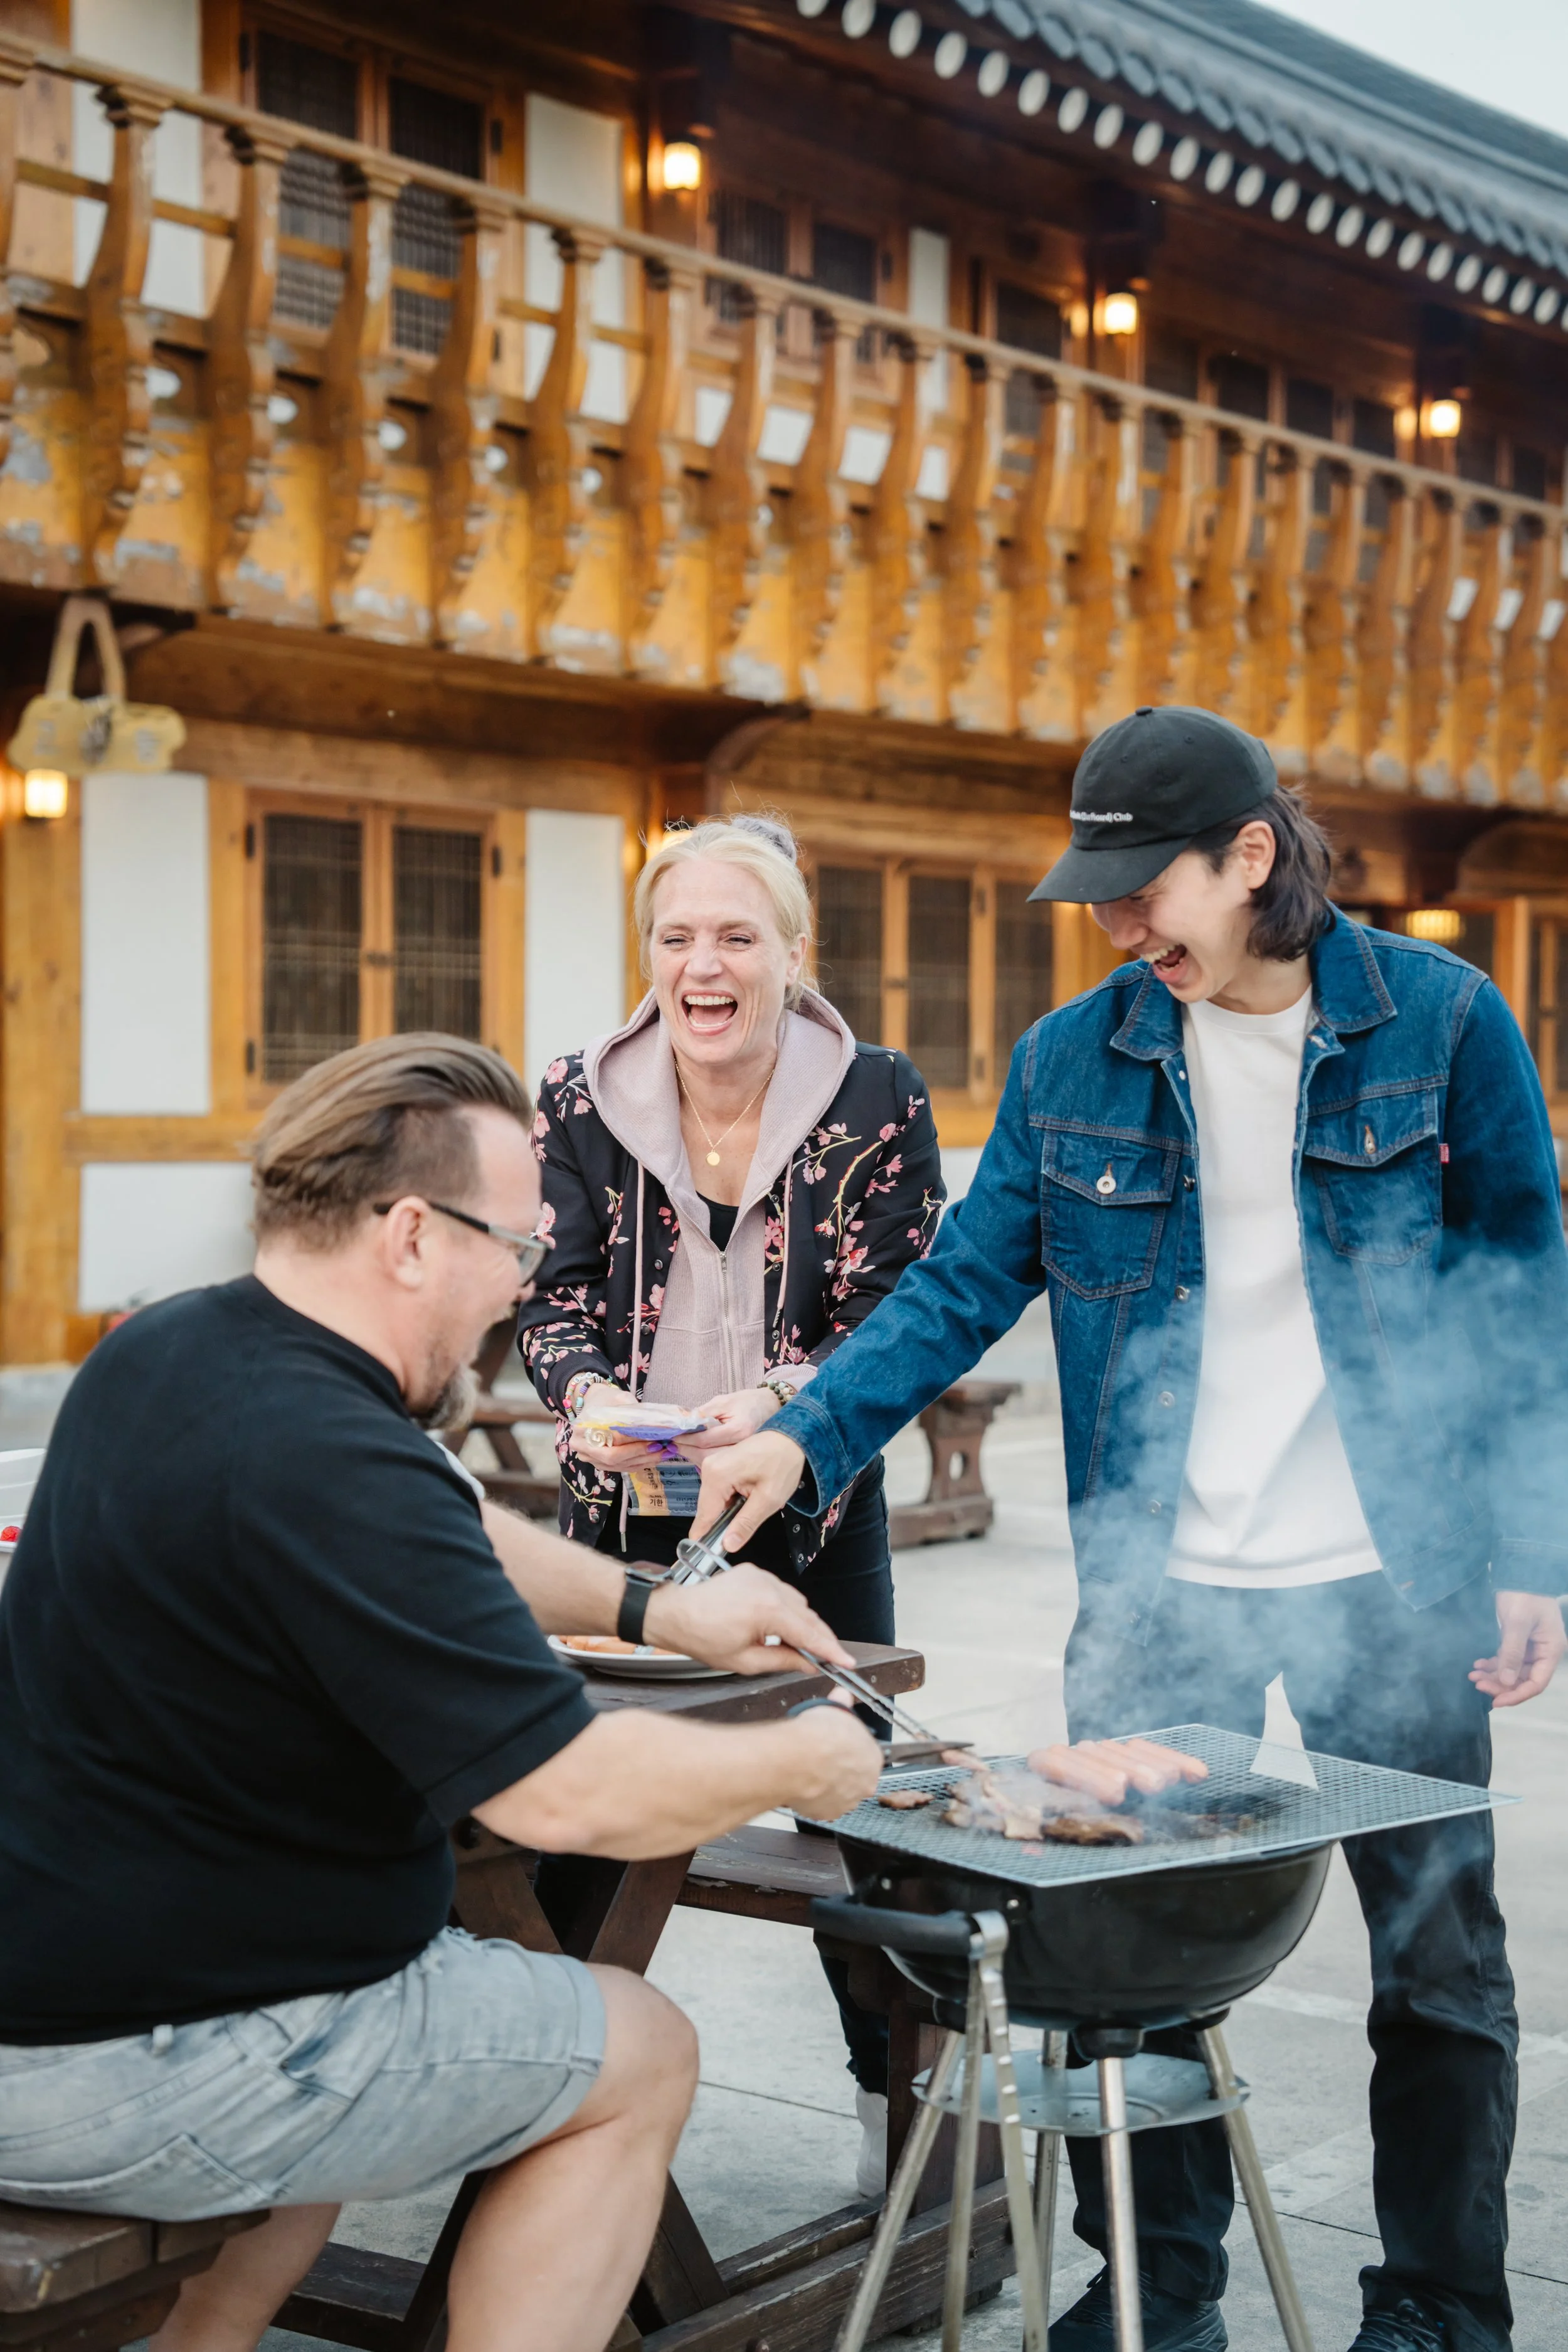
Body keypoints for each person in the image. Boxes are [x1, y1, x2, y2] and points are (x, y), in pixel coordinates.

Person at [691, 706, 1568, 2352]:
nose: (1111, 927)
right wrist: (802, 1435)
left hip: (1397, 1578)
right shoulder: (1071, 1056)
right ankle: (1157, 2297)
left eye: (1136, 887)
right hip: (1163, 1584)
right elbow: (957, 1285)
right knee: (1132, 1961)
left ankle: (1441, 2310)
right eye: (1090, 893)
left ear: (1250, 854)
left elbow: (1524, 1283)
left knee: (1436, 1960)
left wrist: (1538, 1544)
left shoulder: (1440, 1021)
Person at [0, 1034, 883, 2352]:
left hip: (76, 1994)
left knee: (389, 2006)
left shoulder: (168, 1350)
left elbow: (451, 1524)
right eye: (516, 1253)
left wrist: (656, 1606)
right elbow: (567, 1795)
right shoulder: (334, 1456)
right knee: (635, 2047)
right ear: (412, 1234)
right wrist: (810, 1761)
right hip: (124, 2065)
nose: (517, 1296)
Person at [517, 812, 943, 2197]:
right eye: (676, 935)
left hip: (807, 1512)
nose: (702, 965)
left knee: (853, 1825)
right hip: (618, 1526)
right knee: (580, 1818)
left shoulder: (876, 1095)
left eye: (734, 936)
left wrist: (782, 1406)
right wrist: (586, 1402)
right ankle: (539, 2112)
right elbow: (551, 1290)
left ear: (790, 952)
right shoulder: (576, 1095)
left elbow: (899, 1309)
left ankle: (902, 2128)